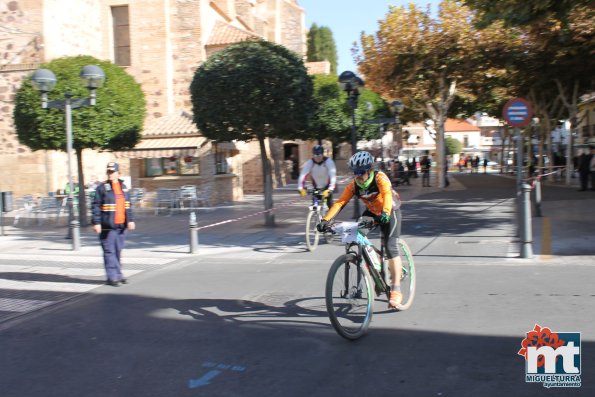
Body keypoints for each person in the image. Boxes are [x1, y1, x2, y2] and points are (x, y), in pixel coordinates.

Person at [316, 151, 404, 308]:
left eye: (361, 172)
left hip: (390, 211)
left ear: (369, 169)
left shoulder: (380, 178)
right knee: (357, 236)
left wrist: (385, 212)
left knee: (390, 247)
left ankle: (396, 289)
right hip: (371, 213)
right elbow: (340, 202)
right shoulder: (354, 185)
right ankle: (376, 268)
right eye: (355, 172)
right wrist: (325, 220)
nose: (358, 176)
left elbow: (387, 195)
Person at [92, 162, 136, 286]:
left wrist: (130, 220)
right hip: (108, 225)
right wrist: (96, 222)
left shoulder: (123, 186)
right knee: (109, 251)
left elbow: (128, 205)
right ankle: (112, 277)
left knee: (118, 250)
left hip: (121, 225)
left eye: (112, 172)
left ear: (118, 173)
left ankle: (118, 274)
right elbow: (95, 205)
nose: (110, 174)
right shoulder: (102, 188)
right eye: (108, 172)